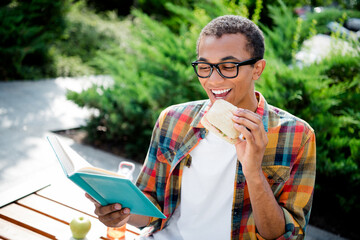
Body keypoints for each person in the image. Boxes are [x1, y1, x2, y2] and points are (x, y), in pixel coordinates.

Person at [86, 15, 316, 239]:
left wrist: (254, 173)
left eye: (228, 66)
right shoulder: (173, 119)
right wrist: (119, 213)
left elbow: (286, 235)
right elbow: (151, 208)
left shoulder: (297, 135)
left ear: (257, 68)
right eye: (204, 67)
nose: (213, 81)